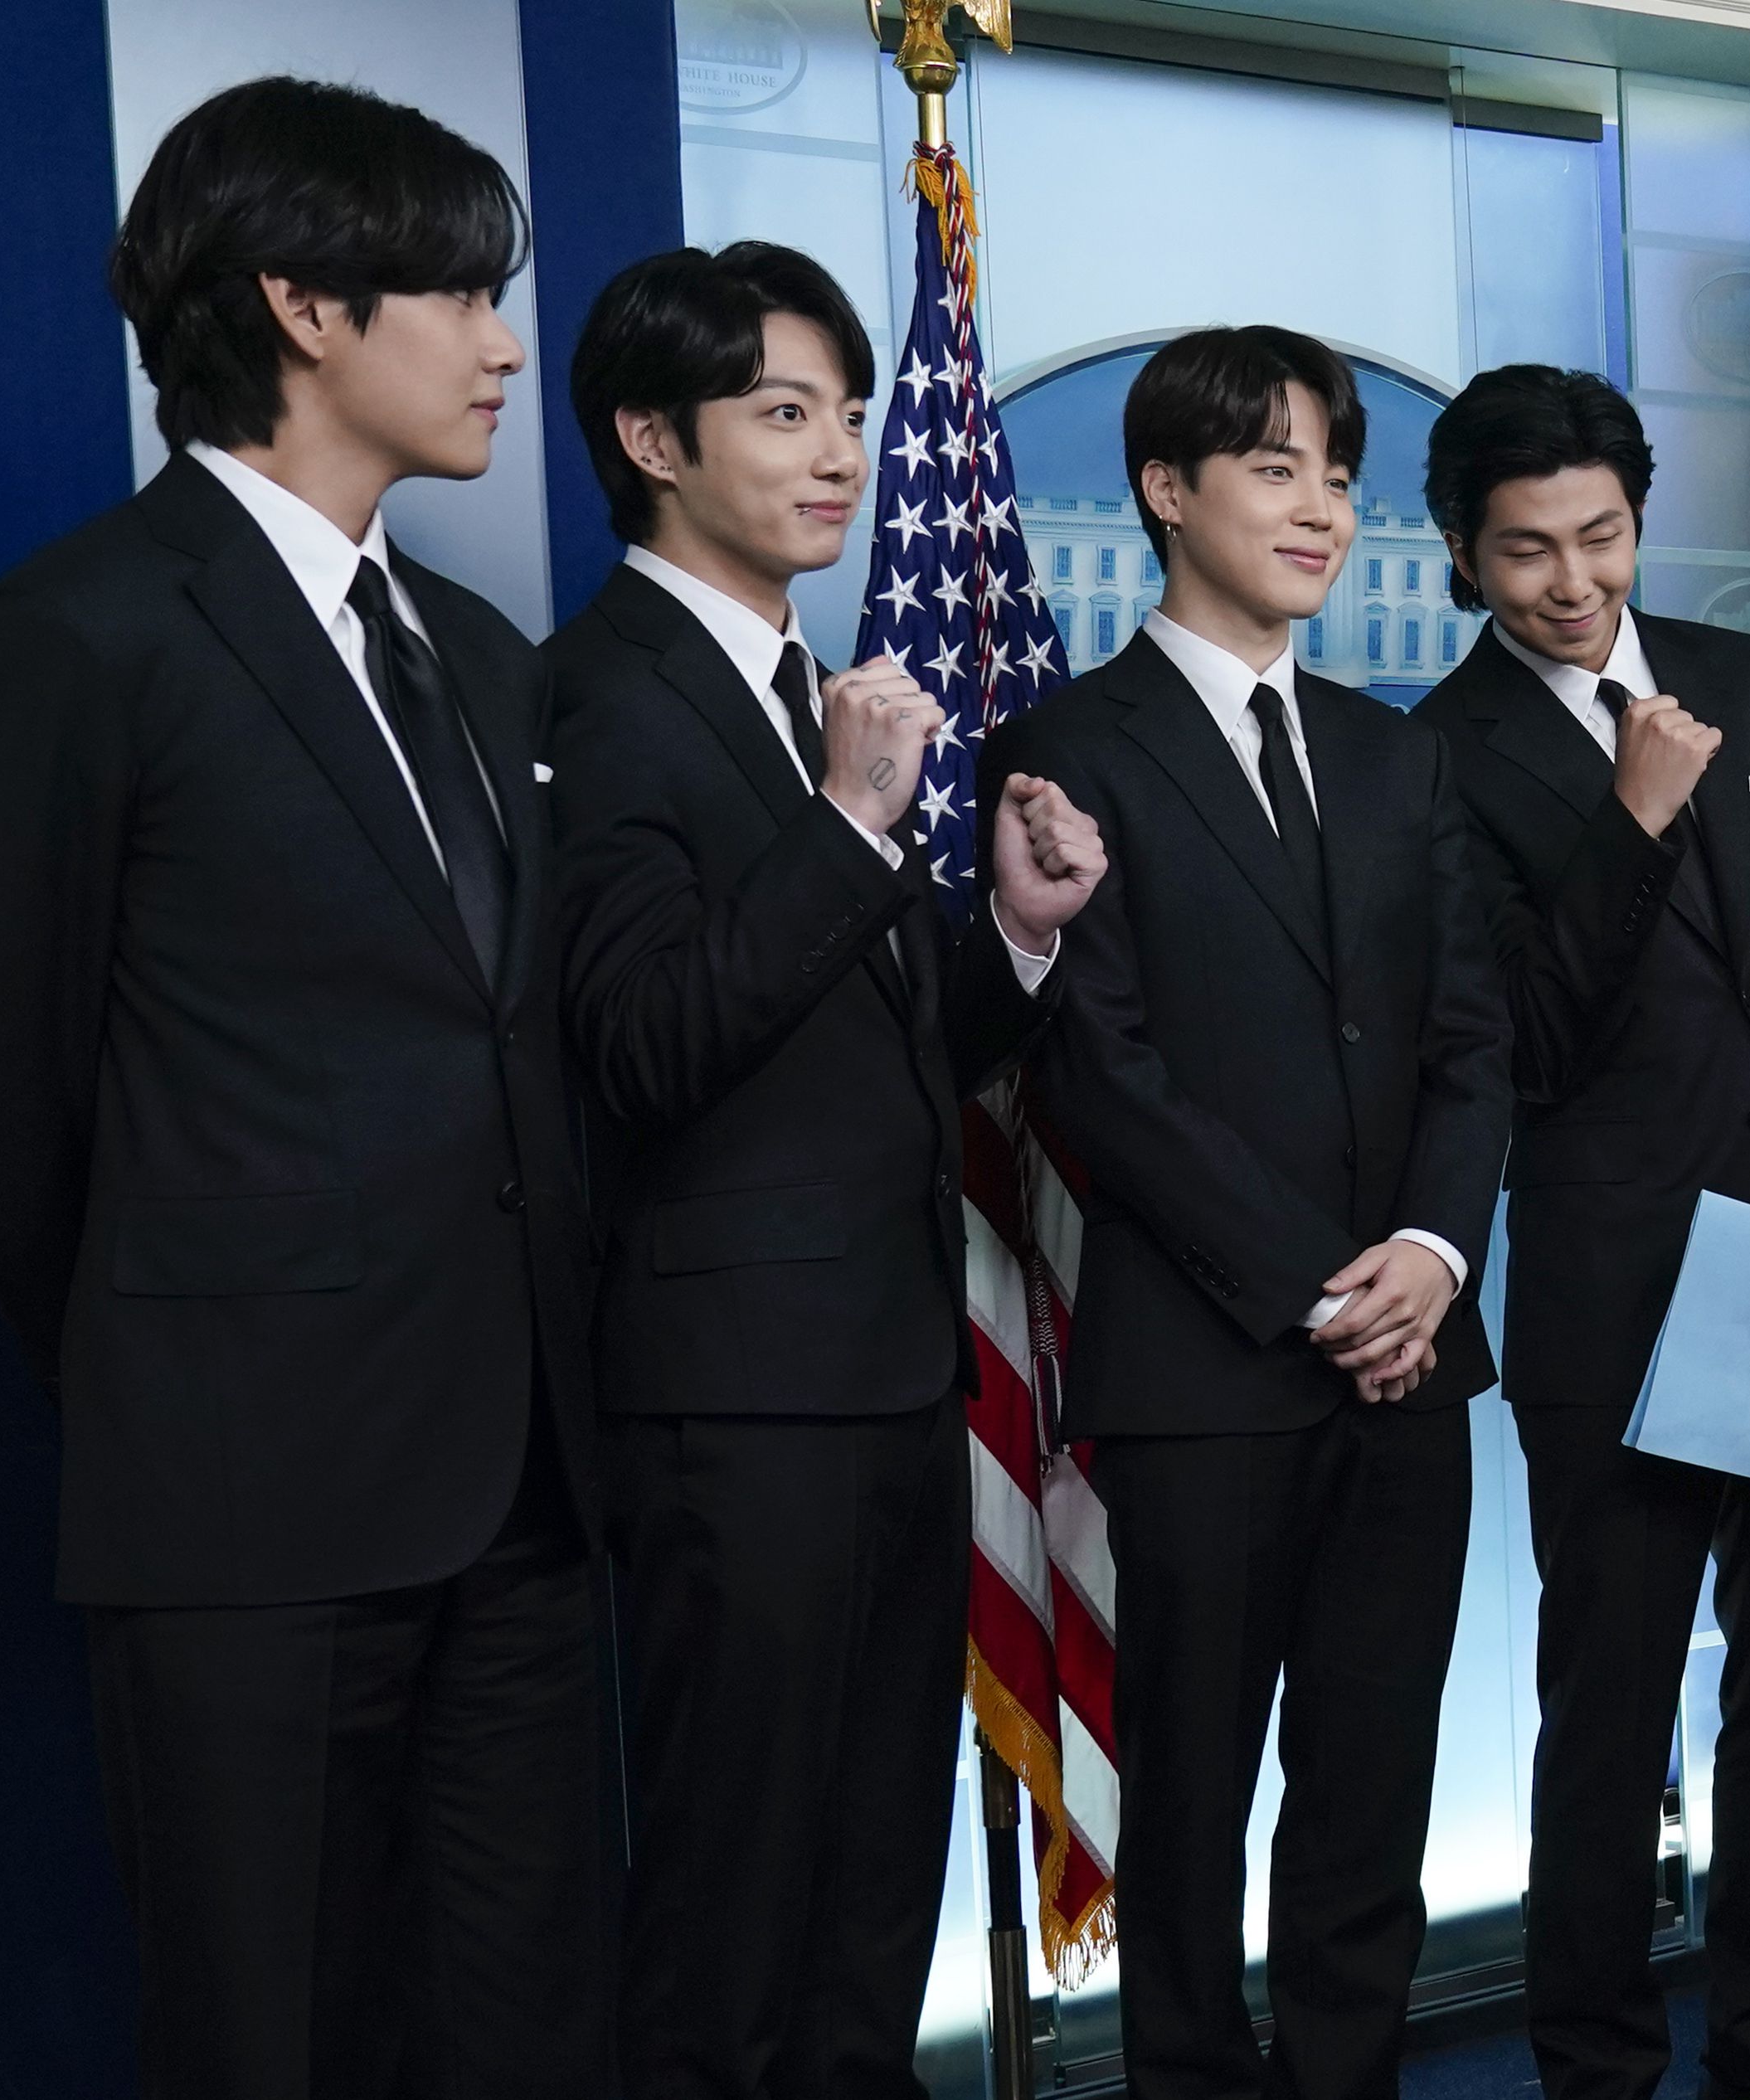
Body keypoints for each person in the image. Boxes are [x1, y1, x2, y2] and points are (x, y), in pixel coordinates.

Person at [0, 78, 605, 2094]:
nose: (498, 338)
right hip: (245, 1507)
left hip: (526, 1493)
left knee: (530, 2024)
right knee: (270, 2034)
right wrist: (176, 1353)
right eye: (456, 288)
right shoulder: (74, 635)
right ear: (299, 302)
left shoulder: (474, 648)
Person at [546, 241, 1105, 2098]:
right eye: (783, 413)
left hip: (885, 1378)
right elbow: (646, 1045)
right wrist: (857, 824)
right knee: (734, 1900)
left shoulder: (805, 687)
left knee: (878, 1888)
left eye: (853, 415)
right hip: (732, 1405)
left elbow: (879, 1059)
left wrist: (1010, 943)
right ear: (649, 436)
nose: (839, 455)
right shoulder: (603, 694)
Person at [975, 326, 1514, 2100]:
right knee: (1193, 1801)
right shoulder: (1068, 744)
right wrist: (1316, 1288)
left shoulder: (1394, 756)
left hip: (1410, 1363)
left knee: (1374, 1789)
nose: (1322, 509)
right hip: (1206, 1366)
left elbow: (1465, 1040)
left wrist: (1429, 1261)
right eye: (1276, 466)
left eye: (1339, 474)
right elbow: (1098, 1076)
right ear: (1166, 490)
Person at [1415, 366, 1750, 2100]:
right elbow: (1524, 1049)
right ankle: (1596, 2064)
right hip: (1616, 1287)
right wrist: (1630, 821)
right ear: (1465, 559)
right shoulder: (1437, 757)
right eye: (1527, 553)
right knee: (1610, 1710)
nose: (1573, 583)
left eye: (1603, 537)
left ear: (1639, 517)